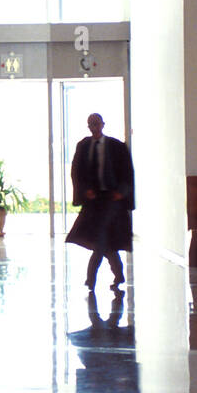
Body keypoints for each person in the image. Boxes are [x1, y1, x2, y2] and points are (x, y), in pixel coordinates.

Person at [65, 113, 135, 291]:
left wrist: (122, 193)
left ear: (103, 124)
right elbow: (76, 171)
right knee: (104, 240)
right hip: (93, 200)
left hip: (112, 199)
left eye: (96, 124)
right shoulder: (83, 146)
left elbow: (127, 172)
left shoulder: (117, 146)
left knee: (101, 239)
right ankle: (118, 274)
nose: (93, 128)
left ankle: (91, 278)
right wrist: (84, 190)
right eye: (90, 125)